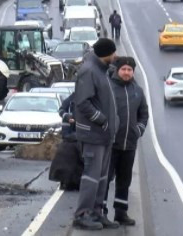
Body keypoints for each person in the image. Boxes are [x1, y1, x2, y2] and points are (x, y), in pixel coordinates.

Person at [73, 38, 119, 231]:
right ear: (105, 54)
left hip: (105, 135)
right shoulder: (89, 71)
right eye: (113, 53)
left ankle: (97, 212)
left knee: (102, 176)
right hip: (93, 134)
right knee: (91, 176)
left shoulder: (101, 70)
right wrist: (101, 119)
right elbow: (82, 102)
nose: (115, 57)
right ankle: (83, 214)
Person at [104, 57, 149, 226]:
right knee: (106, 179)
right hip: (110, 144)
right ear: (117, 70)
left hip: (129, 144)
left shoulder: (137, 90)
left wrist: (138, 130)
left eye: (129, 70)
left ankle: (121, 213)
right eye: (123, 69)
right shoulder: (109, 88)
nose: (126, 72)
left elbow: (144, 114)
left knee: (125, 180)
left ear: (133, 72)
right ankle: (102, 212)